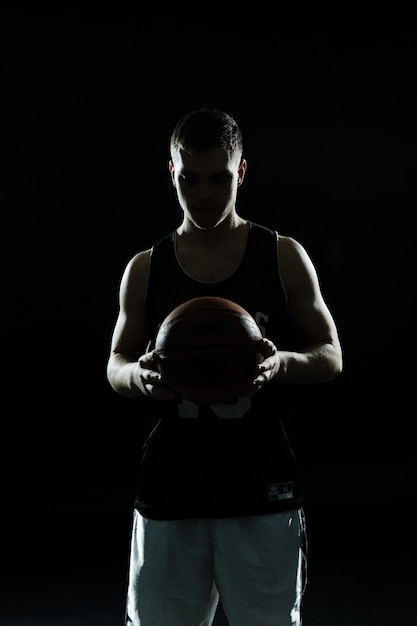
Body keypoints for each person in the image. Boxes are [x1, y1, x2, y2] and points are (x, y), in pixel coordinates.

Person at [106, 108, 343, 626]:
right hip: (171, 486)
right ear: (172, 173)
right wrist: (141, 377)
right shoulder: (147, 267)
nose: (203, 194)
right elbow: (116, 363)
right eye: (188, 179)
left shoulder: (281, 256)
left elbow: (330, 354)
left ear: (241, 172)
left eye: (218, 178)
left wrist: (280, 364)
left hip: (260, 485)